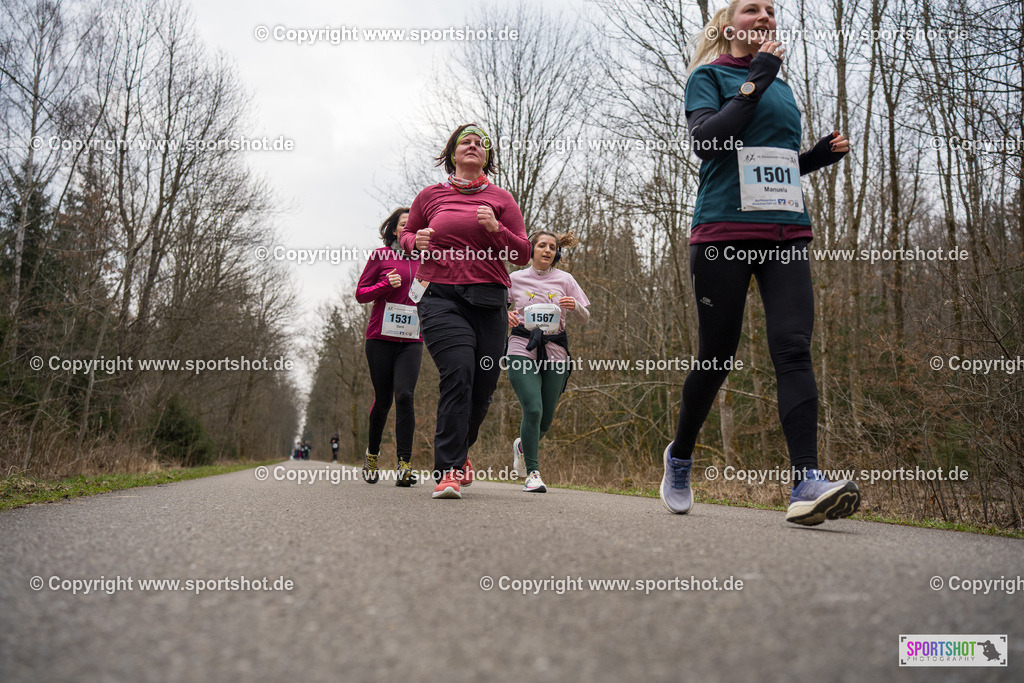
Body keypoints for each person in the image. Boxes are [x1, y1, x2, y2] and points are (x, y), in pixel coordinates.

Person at [662, 0, 861, 525]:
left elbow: (768, 162)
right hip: (723, 232)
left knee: (793, 348)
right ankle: (680, 456)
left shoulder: (783, 87)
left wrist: (815, 157)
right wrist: (756, 79)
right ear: (727, 25)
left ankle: (806, 482)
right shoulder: (710, 76)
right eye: (753, 8)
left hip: (786, 232)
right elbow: (709, 141)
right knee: (717, 355)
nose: (766, 16)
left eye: (772, 10)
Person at [399, 123, 531, 499]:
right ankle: (448, 471)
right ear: (452, 153)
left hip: (489, 301)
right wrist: (415, 239)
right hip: (439, 297)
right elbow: (407, 236)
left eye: (480, 144)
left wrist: (495, 229)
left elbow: (521, 253)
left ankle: (461, 451)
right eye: (465, 142)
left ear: (487, 156)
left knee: (483, 387)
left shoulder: (501, 199)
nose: (473, 146)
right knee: (458, 373)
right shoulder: (430, 196)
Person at [506, 231, 590, 492]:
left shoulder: (566, 280)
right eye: (541, 245)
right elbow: (497, 309)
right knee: (533, 409)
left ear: (557, 253)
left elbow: (585, 317)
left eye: (552, 247)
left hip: (555, 352)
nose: (547, 250)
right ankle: (533, 473)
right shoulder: (514, 278)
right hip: (521, 347)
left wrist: (575, 305)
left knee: (545, 420)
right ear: (530, 250)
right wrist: (504, 316)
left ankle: (522, 446)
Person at [355, 207, 423, 487]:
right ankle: (372, 454)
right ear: (395, 230)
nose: (411, 229)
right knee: (383, 400)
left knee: (405, 396)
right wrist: (385, 283)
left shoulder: (429, 260)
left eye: (416, 225)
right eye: (405, 225)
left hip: (412, 340)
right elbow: (361, 294)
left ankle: (404, 465)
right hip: (380, 338)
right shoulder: (381, 256)